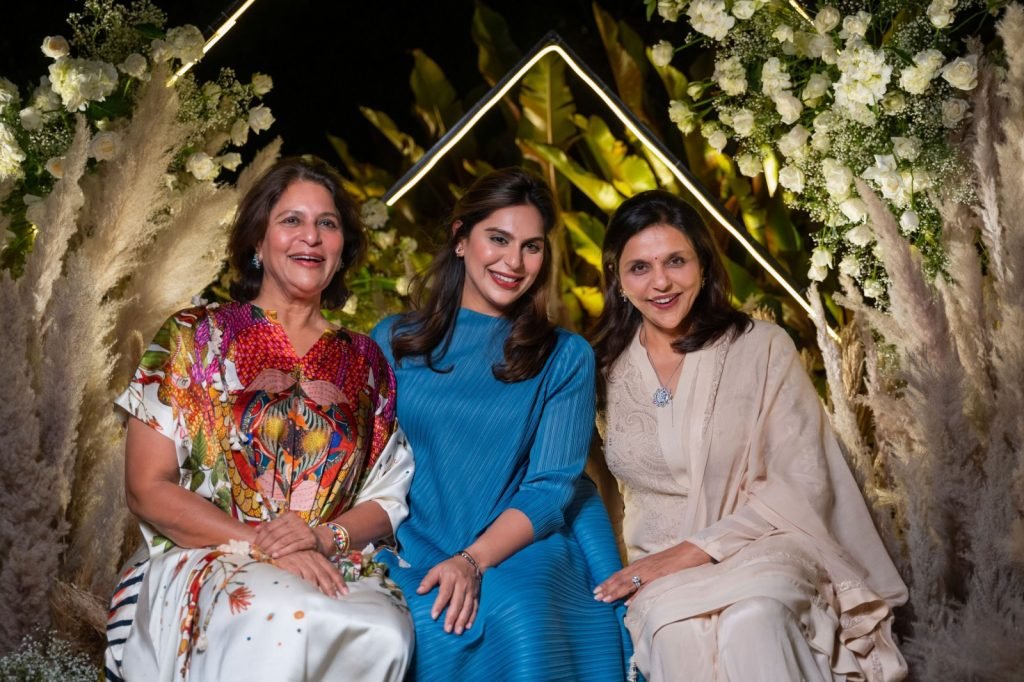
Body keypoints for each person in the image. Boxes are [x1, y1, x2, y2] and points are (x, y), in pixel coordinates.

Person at [104, 157, 415, 681]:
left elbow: (387, 496)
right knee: (281, 613)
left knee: (386, 630)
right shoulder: (194, 336)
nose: (311, 236)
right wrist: (261, 543)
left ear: (342, 248)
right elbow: (146, 487)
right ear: (257, 241)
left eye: (327, 223)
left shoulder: (367, 361)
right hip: (213, 552)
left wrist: (322, 540)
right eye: (291, 220)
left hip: (325, 559)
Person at [590, 190, 908, 681]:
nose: (661, 282)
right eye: (640, 268)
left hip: (762, 545)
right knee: (675, 635)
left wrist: (696, 548)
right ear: (617, 277)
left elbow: (803, 480)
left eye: (676, 261)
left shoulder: (760, 347)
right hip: (658, 569)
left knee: (755, 619)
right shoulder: (602, 368)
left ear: (703, 264)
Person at [371, 167, 630, 680]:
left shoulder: (564, 356)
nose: (514, 262)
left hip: (517, 541)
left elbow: (551, 487)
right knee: (407, 618)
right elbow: (364, 461)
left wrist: (472, 560)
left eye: (531, 247)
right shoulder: (394, 339)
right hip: (408, 541)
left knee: (517, 615)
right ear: (460, 238)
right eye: (498, 239)